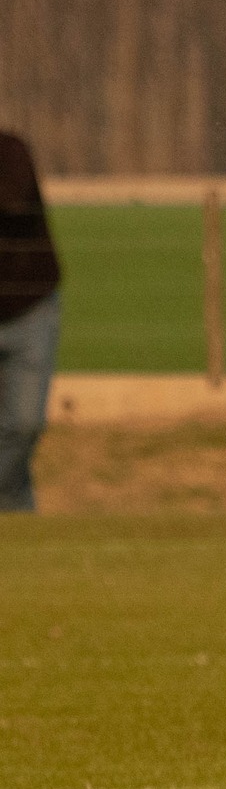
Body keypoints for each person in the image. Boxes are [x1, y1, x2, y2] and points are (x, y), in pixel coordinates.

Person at [0, 131, 61, 512]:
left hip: (29, 310)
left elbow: (14, 201)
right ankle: (18, 525)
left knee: (24, 424)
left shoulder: (11, 152)